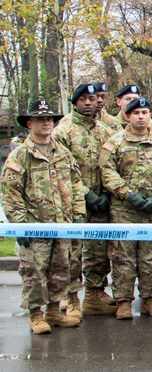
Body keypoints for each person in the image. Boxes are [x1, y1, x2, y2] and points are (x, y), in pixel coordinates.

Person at [2, 100, 85, 334]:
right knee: (34, 272)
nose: (46, 123)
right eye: (40, 119)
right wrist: (20, 225)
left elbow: (76, 185)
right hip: (34, 225)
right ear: (29, 124)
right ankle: (36, 315)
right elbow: (11, 192)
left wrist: (78, 214)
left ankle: (54, 311)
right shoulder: (20, 155)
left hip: (62, 224)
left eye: (49, 119)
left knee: (61, 269)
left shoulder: (62, 152)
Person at [98, 97, 152, 320]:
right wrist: (127, 194)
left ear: (150, 116)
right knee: (123, 258)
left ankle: (150, 299)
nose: (141, 116)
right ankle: (123, 301)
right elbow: (107, 172)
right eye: (136, 112)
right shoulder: (115, 142)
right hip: (124, 211)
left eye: (145, 112)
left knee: (151, 258)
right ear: (128, 116)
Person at [52, 83, 117, 317]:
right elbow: (61, 169)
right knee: (72, 252)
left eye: (92, 98)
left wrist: (106, 193)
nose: (89, 103)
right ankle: (70, 298)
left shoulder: (104, 130)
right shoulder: (63, 130)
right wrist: (86, 193)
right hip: (75, 201)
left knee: (98, 251)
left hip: (101, 199)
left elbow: (112, 163)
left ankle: (94, 294)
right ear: (75, 102)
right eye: (84, 99)